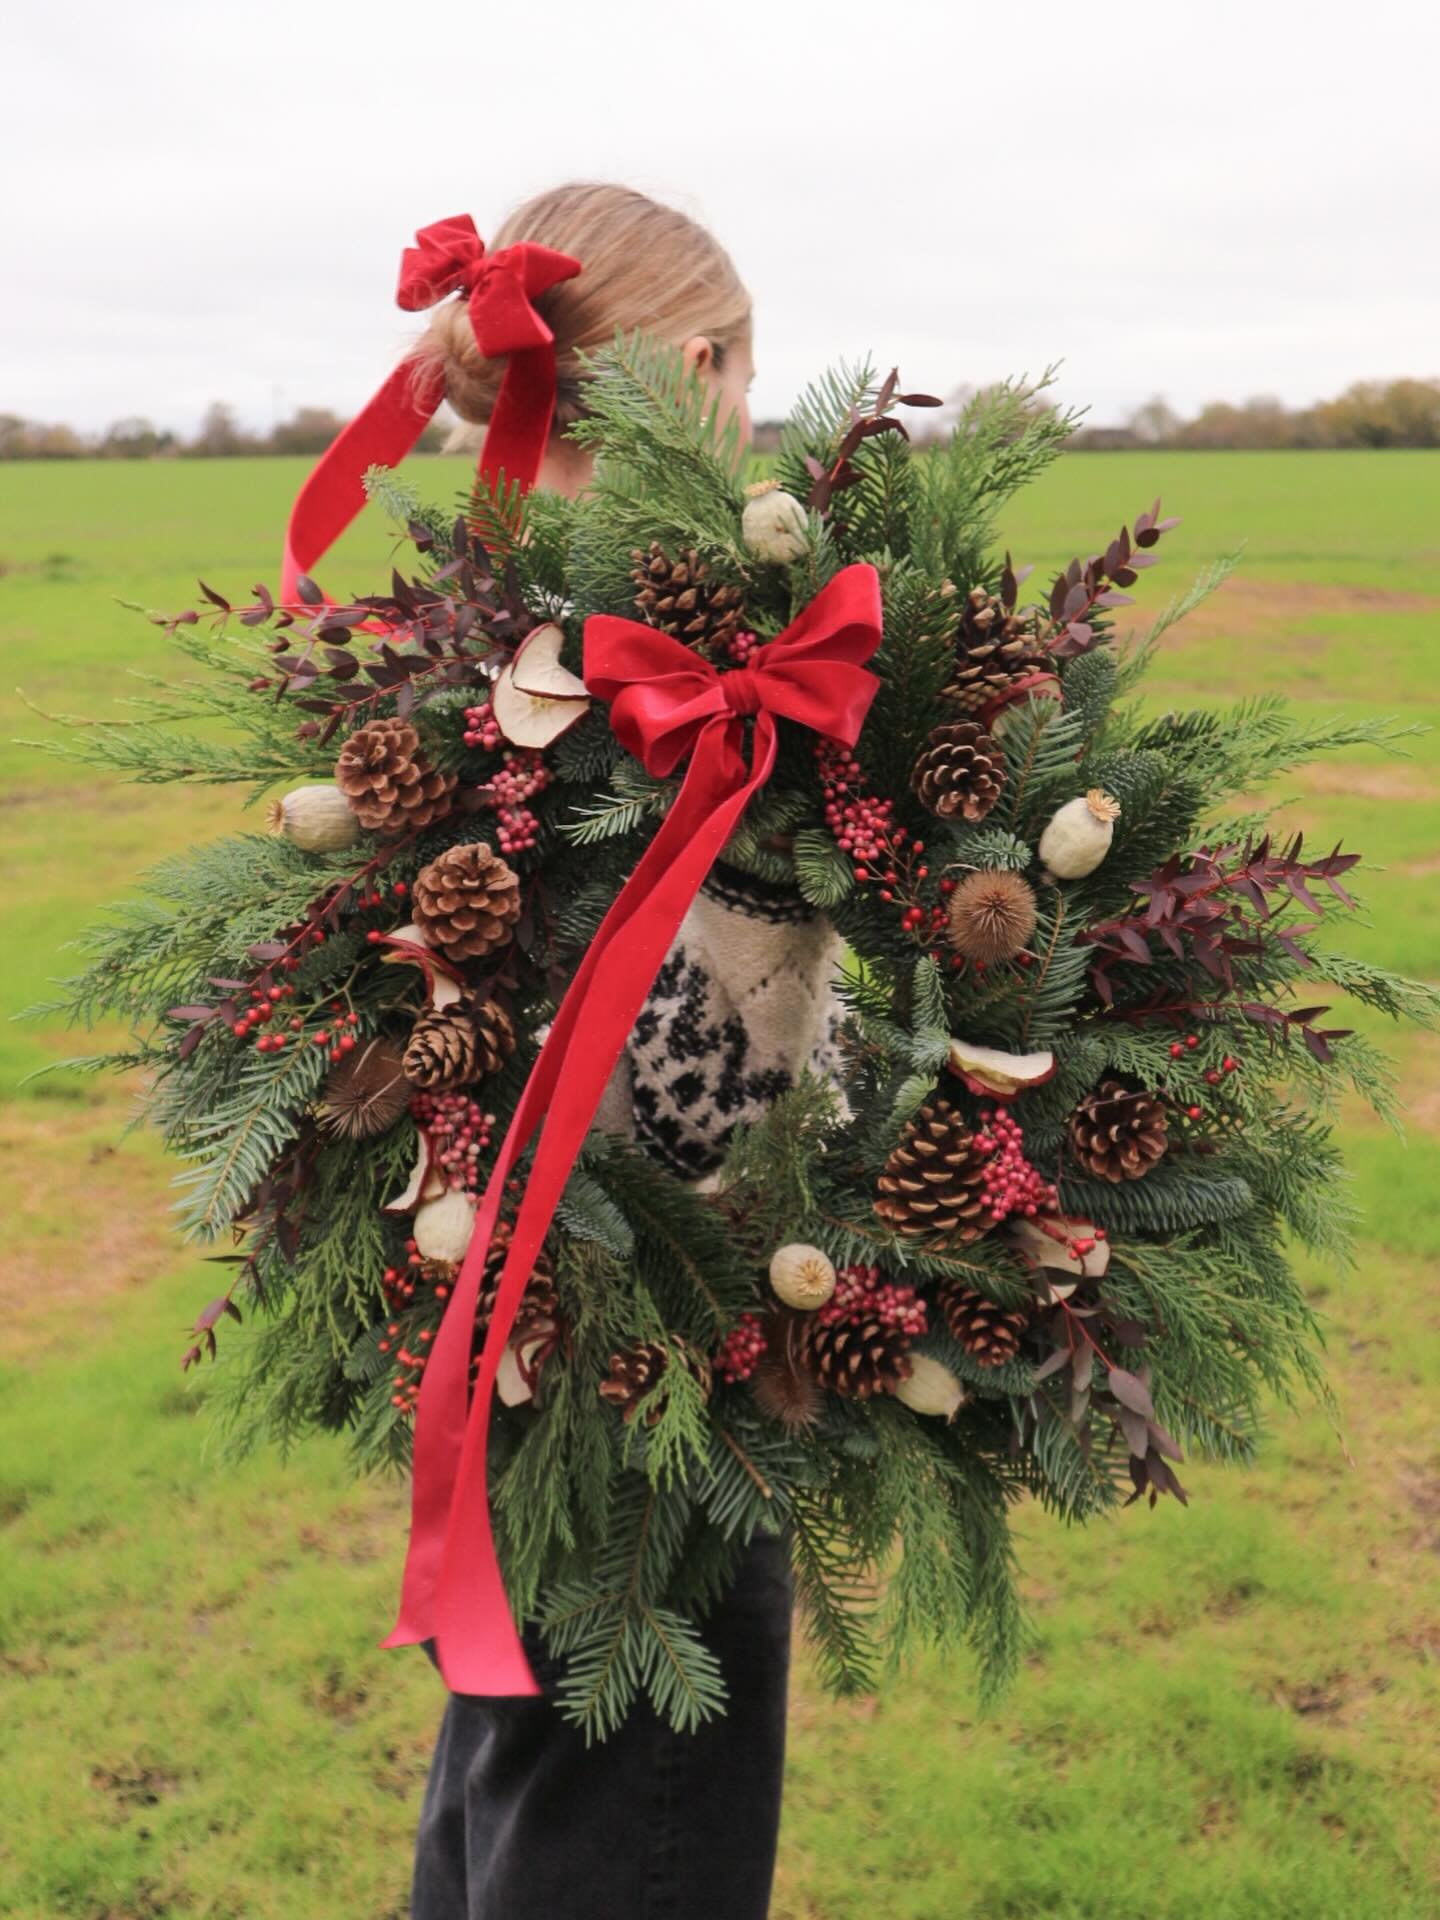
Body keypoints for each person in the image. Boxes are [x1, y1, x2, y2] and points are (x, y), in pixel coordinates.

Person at [284, 183, 832, 1919]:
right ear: (697, 367)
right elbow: (748, 1047)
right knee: (626, 1814)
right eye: (748, 373)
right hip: (673, 1359)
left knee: (512, 1769)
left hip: (489, 1335)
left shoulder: (471, 665)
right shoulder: (732, 664)